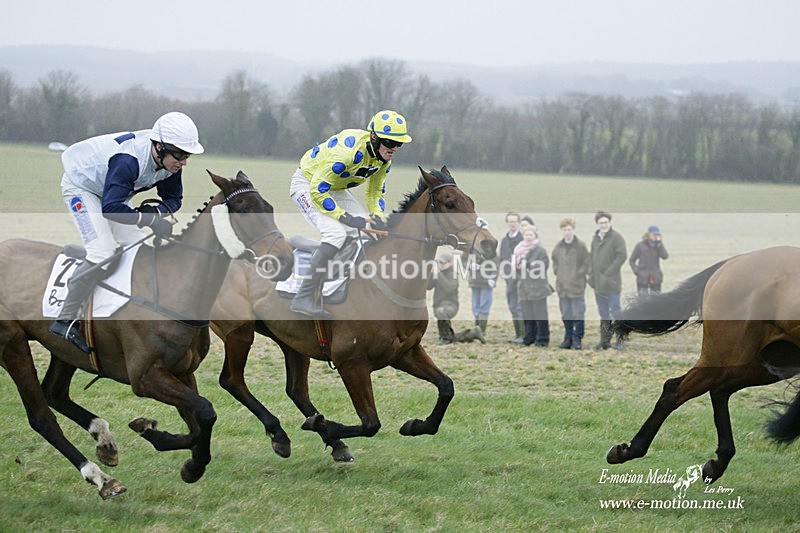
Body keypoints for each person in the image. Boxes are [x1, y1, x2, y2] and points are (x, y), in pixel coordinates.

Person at [50, 111, 204, 352]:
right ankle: (65, 320)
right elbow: (111, 208)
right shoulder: (129, 160)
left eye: (187, 155)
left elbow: (174, 198)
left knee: (138, 246)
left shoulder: (169, 162)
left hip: (113, 195)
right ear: (160, 147)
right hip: (83, 188)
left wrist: (157, 211)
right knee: (102, 252)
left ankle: (125, 301)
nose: (184, 161)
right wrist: (150, 220)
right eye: (180, 155)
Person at [289, 110, 412, 319]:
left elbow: (375, 191)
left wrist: (377, 217)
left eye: (398, 144)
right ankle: (303, 296)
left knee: (370, 232)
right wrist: (344, 217)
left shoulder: (383, 160)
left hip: (335, 189)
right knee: (336, 234)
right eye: (390, 142)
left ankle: (352, 288)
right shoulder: (346, 154)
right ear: (374, 137)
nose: (394, 148)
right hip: (308, 184)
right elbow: (317, 190)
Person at [588, 211, 627, 350]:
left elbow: (622, 256)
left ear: (609, 223)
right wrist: (591, 276)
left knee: (616, 312)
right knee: (603, 313)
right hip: (598, 284)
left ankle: (620, 341)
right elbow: (591, 258)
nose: (603, 225)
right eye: (601, 223)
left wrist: (608, 273)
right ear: (597, 224)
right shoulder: (595, 239)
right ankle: (605, 341)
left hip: (612, 284)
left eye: (606, 222)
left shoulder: (616, 238)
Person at [551, 218, 591, 350]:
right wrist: (558, 273)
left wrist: (578, 274)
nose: (567, 232)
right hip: (562, 287)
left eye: (569, 229)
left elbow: (587, 262)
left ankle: (577, 338)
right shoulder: (558, 247)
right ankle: (567, 338)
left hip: (576, 287)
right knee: (566, 314)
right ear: (561, 231)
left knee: (578, 314)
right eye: (564, 230)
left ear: (573, 230)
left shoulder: (580, 246)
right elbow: (554, 261)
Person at [515, 227, 552, 347]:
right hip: (524, 288)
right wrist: (518, 268)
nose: (528, 237)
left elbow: (543, 266)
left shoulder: (540, 251)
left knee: (540, 315)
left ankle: (542, 339)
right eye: (526, 235)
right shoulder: (519, 250)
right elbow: (517, 271)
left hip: (538, 288)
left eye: (531, 235)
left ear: (535, 236)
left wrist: (528, 266)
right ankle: (529, 337)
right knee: (528, 315)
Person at [499, 212, 524, 343]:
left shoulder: (523, 239)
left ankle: (523, 335)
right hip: (509, 280)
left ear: (518, 223)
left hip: (521, 280)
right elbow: (502, 259)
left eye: (514, 221)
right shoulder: (504, 241)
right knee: (513, 307)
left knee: (520, 307)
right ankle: (517, 334)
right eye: (510, 221)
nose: (512, 224)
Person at [427, 252, 459, 345]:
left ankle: (446, 338)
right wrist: (430, 274)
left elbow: (449, 288)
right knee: (440, 312)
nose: (440, 265)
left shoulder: (453, 274)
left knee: (441, 312)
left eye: (443, 263)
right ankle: (472, 334)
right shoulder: (438, 273)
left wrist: (438, 273)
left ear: (450, 263)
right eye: (439, 262)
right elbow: (428, 286)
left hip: (451, 304)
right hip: (438, 304)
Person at [629, 225, 669, 293]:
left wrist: (659, 244)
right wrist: (637, 271)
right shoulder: (640, 245)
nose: (655, 236)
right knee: (642, 299)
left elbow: (665, 256)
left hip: (656, 277)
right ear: (648, 235)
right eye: (653, 234)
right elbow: (632, 260)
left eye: (657, 235)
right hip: (642, 278)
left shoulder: (658, 246)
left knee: (656, 299)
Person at [467, 253, 497, 340]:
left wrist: (492, 278)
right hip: (474, 282)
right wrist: (470, 265)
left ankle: (482, 331)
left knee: (484, 306)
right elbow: (464, 260)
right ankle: (477, 329)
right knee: (475, 307)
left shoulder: (490, 248)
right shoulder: (470, 248)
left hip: (486, 283)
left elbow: (496, 265)